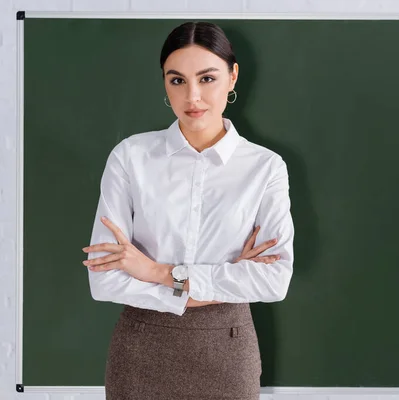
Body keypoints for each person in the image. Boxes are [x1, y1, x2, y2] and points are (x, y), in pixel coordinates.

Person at [81, 21, 294, 400]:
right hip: (141, 350)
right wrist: (220, 280)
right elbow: (105, 280)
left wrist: (155, 272)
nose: (193, 96)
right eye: (177, 80)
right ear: (164, 83)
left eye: (207, 78)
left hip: (228, 352)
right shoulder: (131, 158)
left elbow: (272, 281)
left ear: (233, 77)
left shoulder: (265, 168)